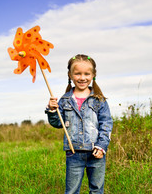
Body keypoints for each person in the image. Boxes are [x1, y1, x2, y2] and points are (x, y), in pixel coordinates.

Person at [45, 54, 113, 194]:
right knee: (71, 191)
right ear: (70, 75)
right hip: (74, 153)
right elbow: (59, 123)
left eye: (87, 74)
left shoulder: (99, 100)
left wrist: (101, 146)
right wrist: (52, 110)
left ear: (93, 75)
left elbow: (106, 124)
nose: (82, 78)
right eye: (77, 74)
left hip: (96, 152)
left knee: (96, 190)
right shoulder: (64, 100)